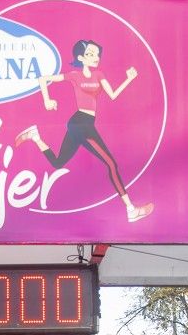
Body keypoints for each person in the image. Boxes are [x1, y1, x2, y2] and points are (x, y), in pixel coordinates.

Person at [15, 39, 153, 223]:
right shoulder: (74, 76)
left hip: (83, 124)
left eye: (97, 54)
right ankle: (130, 209)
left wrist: (129, 79)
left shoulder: (99, 75)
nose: (95, 58)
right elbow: (43, 79)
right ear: (81, 57)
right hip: (80, 123)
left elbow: (112, 95)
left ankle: (35, 136)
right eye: (90, 54)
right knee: (111, 164)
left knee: (58, 162)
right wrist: (47, 100)